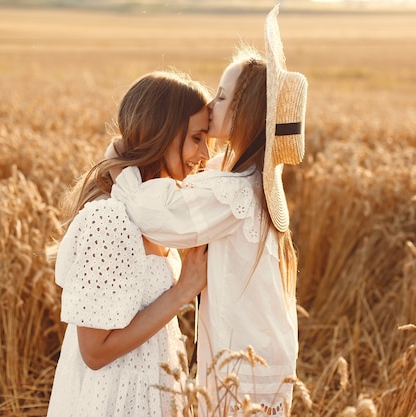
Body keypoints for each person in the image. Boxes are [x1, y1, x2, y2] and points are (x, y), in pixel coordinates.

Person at [111, 6, 308, 416]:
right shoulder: (237, 176)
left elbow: (161, 215)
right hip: (255, 354)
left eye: (221, 96)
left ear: (246, 113)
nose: (210, 103)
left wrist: (122, 170)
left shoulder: (234, 194)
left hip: (246, 367)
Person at [47, 70, 212, 417]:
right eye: (197, 138)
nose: (206, 153)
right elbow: (94, 352)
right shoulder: (110, 218)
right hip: (114, 399)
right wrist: (182, 292)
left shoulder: (156, 208)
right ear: (162, 135)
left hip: (155, 390)